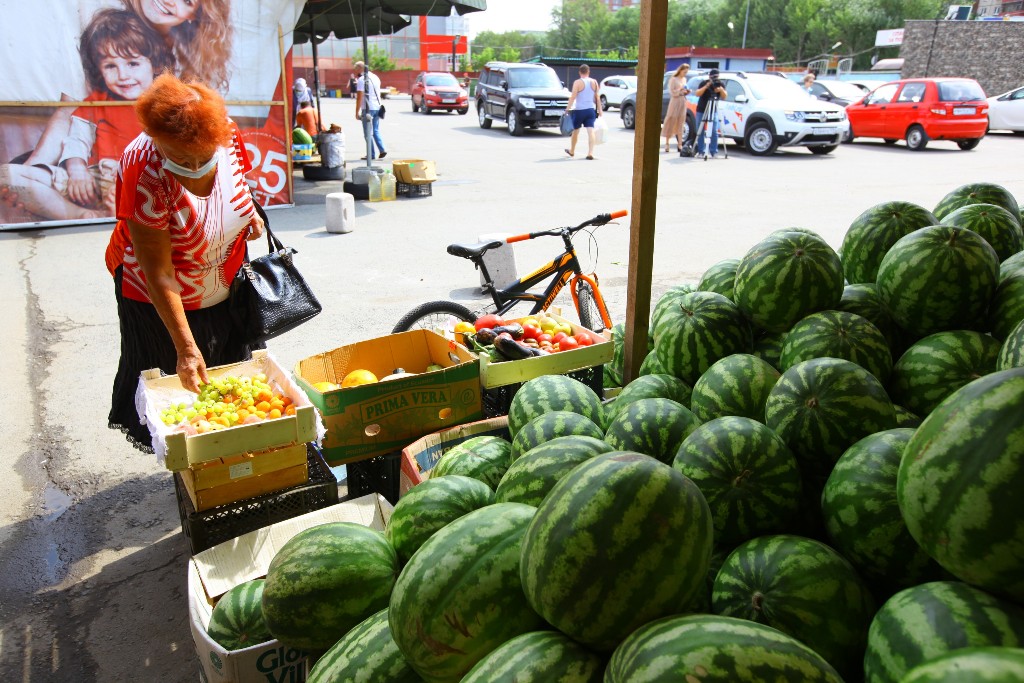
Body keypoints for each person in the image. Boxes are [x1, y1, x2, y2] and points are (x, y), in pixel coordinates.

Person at [105, 73, 266, 451]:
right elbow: (158, 272)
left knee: (230, 376)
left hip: (223, 280)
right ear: (157, 140)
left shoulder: (224, 133)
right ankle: (188, 458)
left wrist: (249, 216)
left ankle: (228, 449)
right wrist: (187, 348)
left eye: (203, 157)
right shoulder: (143, 169)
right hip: (162, 296)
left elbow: (238, 183)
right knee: (178, 387)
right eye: (180, 158)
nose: (194, 166)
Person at [0, 9, 173, 221]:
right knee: (7, 175)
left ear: (154, 64)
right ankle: (85, 214)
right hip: (92, 180)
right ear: (99, 69)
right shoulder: (96, 101)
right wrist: (77, 171)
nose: (123, 75)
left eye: (133, 63)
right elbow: (76, 141)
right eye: (110, 66)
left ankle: (120, 212)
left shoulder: (165, 103)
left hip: (140, 181)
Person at [124, 0, 233, 91]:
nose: (168, 1)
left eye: (186, 1)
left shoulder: (187, 62)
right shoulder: (109, 22)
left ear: (194, 15)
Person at [564, 64, 603, 160]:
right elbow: (597, 98)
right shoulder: (594, 82)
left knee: (576, 131)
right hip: (590, 110)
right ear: (588, 72)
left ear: (579, 72)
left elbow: (573, 96)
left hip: (579, 110)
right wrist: (600, 111)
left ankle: (572, 151)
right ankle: (590, 152)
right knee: (590, 131)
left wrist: (567, 109)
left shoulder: (577, 82)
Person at [353, 61, 386, 160]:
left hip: (368, 108)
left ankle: (371, 154)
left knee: (367, 132)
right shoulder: (375, 77)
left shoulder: (362, 80)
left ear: (359, 68)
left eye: (356, 69)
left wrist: (356, 112)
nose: (355, 71)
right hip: (377, 106)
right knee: (375, 130)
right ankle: (382, 149)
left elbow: (359, 97)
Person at [694, 68, 727, 158]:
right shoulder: (704, 83)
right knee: (700, 130)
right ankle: (701, 151)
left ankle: (714, 151)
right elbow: (697, 93)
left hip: (713, 110)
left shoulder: (720, 84)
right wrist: (706, 86)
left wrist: (721, 90)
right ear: (709, 77)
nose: (715, 80)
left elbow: (724, 96)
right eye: (713, 78)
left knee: (714, 131)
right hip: (702, 109)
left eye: (716, 77)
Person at [661, 64, 691, 153]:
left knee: (681, 122)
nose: (685, 74)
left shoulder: (684, 79)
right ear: (680, 70)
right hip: (675, 101)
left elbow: (684, 90)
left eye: (686, 72)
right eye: (684, 71)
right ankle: (667, 143)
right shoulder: (673, 79)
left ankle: (680, 144)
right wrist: (680, 90)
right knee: (671, 119)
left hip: (682, 101)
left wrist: (686, 92)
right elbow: (672, 92)